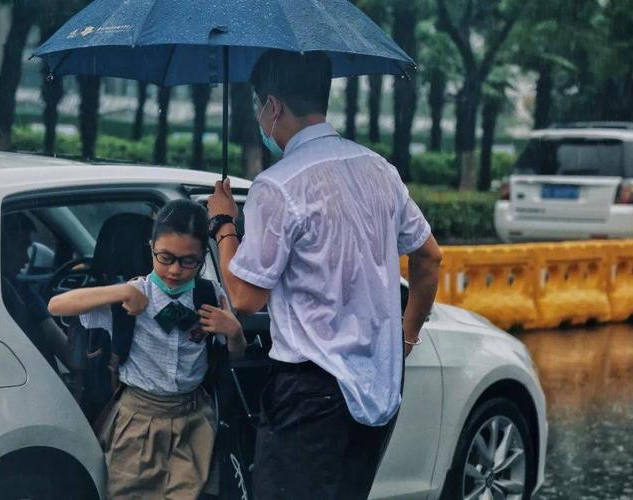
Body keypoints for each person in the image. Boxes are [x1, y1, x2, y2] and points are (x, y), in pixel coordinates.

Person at [206, 49, 442, 499]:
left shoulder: (278, 185)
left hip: (308, 398)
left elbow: (243, 297)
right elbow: (429, 258)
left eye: (260, 106)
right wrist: (406, 337)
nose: (260, 117)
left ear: (272, 106)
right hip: (377, 389)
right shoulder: (380, 170)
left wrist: (223, 224)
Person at [48, 199, 246, 500]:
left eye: (188, 261)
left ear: (202, 257)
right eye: (165, 257)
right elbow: (56, 304)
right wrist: (123, 290)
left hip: (193, 422)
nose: (175, 270)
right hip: (137, 421)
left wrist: (233, 332)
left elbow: (236, 355)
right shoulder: (134, 295)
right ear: (151, 246)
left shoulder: (210, 295)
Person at [0, 213, 70, 370]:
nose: (26, 259)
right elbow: (66, 352)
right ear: (1, 247)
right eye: (21, 247)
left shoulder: (18, 288)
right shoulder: (13, 289)